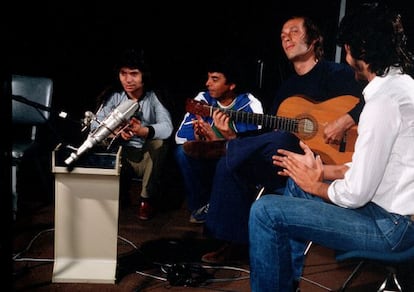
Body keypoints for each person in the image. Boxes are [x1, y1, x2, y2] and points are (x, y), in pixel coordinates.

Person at [249, 3, 414, 291]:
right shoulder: (404, 86)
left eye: (347, 50)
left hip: (391, 228)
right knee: (298, 186)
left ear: (356, 51)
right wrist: (321, 170)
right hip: (396, 215)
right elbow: (382, 166)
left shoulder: (382, 103)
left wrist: (318, 184)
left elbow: (355, 193)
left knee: (265, 211)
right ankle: (286, 283)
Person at [183, 15, 365, 263]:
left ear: (313, 41)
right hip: (287, 163)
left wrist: (345, 120)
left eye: (293, 31)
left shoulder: (337, 73)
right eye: (282, 34)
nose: (285, 37)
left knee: (277, 142)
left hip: (327, 161)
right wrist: (234, 134)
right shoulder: (286, 89)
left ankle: (227, 148)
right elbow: (268, 135)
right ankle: (233, 242)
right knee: (238, 159)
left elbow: (373, 97)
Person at [175, 54, 264, 223]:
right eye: (208, 78)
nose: (208, 83)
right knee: (181, 152)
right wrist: (198, 137)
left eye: (214, 79)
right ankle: (200, 208)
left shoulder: (250, 104)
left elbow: (253, 147)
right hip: (207, 159)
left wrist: (222, 136)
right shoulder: (202, 99)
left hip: (233, 159)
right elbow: (179, 137)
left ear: (231, 85)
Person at [90, 48, 174, 220]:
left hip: (143, 157)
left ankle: (146, 199)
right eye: (123, 73)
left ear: (144, 75)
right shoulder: (114, 96)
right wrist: (114, 132)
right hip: (120, 156)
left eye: (134, 74)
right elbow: (94, 125)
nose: (128, 80)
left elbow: (167, 127)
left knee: (160, 143)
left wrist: (144, 131)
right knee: (99, 141)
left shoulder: (152, 97)